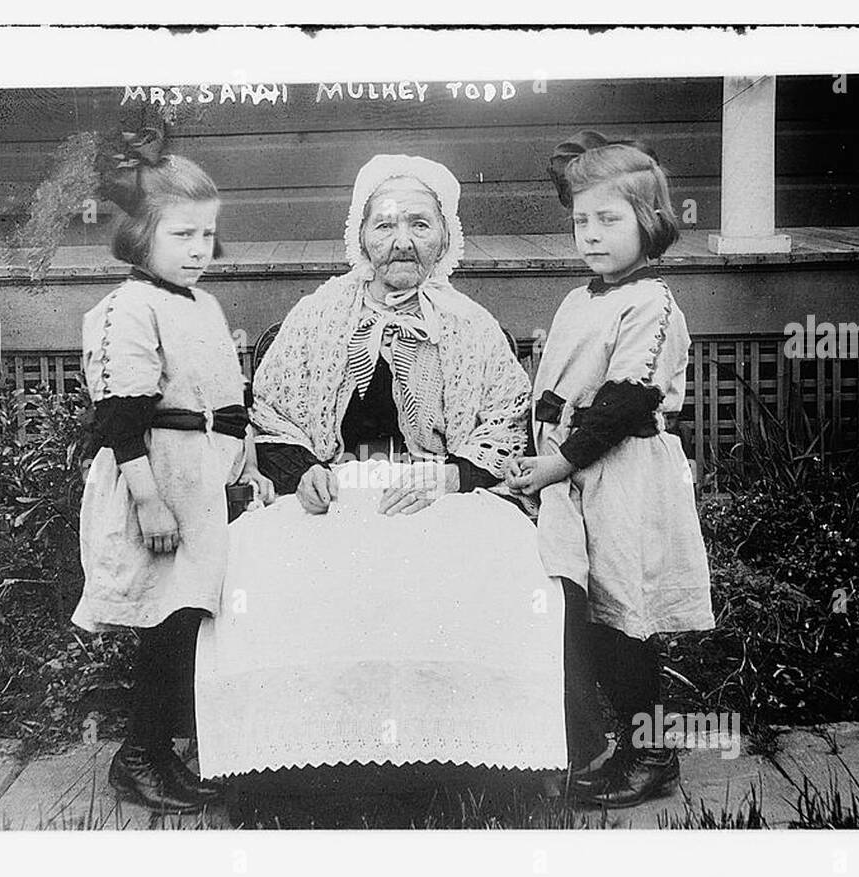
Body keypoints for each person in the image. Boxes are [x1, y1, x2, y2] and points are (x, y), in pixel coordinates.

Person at [508, 134, 714, 808]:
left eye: (610, 220)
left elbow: (624, 403)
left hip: (621, 474)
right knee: (586, 610)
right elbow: (556, 387)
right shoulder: (581, 299)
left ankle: (650, 753)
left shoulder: (650, 303)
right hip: (571, 479)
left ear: (649, 222)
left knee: (627, 616)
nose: (592, 235)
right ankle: (609, 743)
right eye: (581, 221)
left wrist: (559, 460)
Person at [71, 151, 275, 813]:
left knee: (185, 621)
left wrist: (245, 468)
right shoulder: (127, 307)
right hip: (154, 481)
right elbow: (122, 418)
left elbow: (225, 402)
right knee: (161, 624)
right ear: (141, 236)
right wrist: (150, 502)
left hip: (201, 479)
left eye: (205, 235)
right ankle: (138, 756)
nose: (197, 250)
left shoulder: (199, 304)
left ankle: (158, 753)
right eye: (179, 235)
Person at [250, 154, 530, 516]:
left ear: (445, 239)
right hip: (335, 505)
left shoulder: (472, 325)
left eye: (420, 225)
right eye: (384, 226)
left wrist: (449, 479)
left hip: (437, 505)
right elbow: (273, 418)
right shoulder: (317, 315)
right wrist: (304, 473)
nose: (402, 242)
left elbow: (505, 423)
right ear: (361, 237)